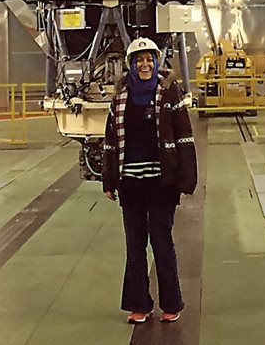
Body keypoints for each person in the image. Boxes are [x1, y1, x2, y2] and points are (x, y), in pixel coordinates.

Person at [102, 36, 197, 324]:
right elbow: (110, 142)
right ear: (131, 64)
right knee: (134, 246)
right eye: (139, 60)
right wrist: (109, 180)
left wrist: (186, 180)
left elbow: (184, 137)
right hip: (131, 183)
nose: (144, 64)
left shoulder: (169, 94)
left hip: (161, 183)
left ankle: (172, 303)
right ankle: (138, 305)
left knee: (162, 243)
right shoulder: (119, 99)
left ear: (157, 62)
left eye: (149, 59)